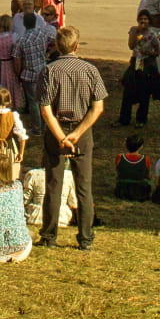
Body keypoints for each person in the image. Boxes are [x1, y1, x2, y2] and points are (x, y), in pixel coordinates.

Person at [38, 27, 106, 250]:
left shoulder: (49, 71)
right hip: (82, 131)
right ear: (77, 46)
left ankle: (49, 236)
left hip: (56, 129)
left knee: (53, 185)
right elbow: (97, 107)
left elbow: (46, 110)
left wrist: (61, 137)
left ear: (57, 47)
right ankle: (85, 237)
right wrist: (76, 134)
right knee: (83, 186)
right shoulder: (90, 71)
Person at [113, 135, 153, 201]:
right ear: (140, 147)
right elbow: (146, 174)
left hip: (122, 190)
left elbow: (118, 171)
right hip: (139, 191)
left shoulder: (120, 157)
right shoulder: (145, 159)